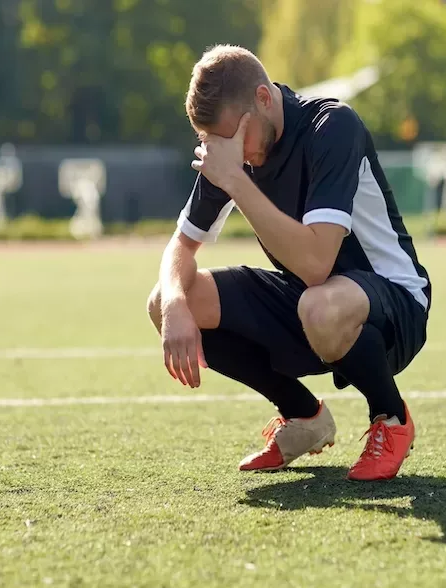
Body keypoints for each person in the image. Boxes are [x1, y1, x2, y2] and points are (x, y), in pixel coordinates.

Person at [146, 45, 431, 481]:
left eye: (238, 140)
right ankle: (303, 418)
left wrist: (236, 182)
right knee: (171, 297)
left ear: (264, 98)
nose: (234, 154)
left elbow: (317, 262)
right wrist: (172, 308)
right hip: (310, 300)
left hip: (393, 300)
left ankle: (391, 418)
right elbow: (180, 247)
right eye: (219, 144)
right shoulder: (231, 150)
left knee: (319, 305)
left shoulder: (332, 127)